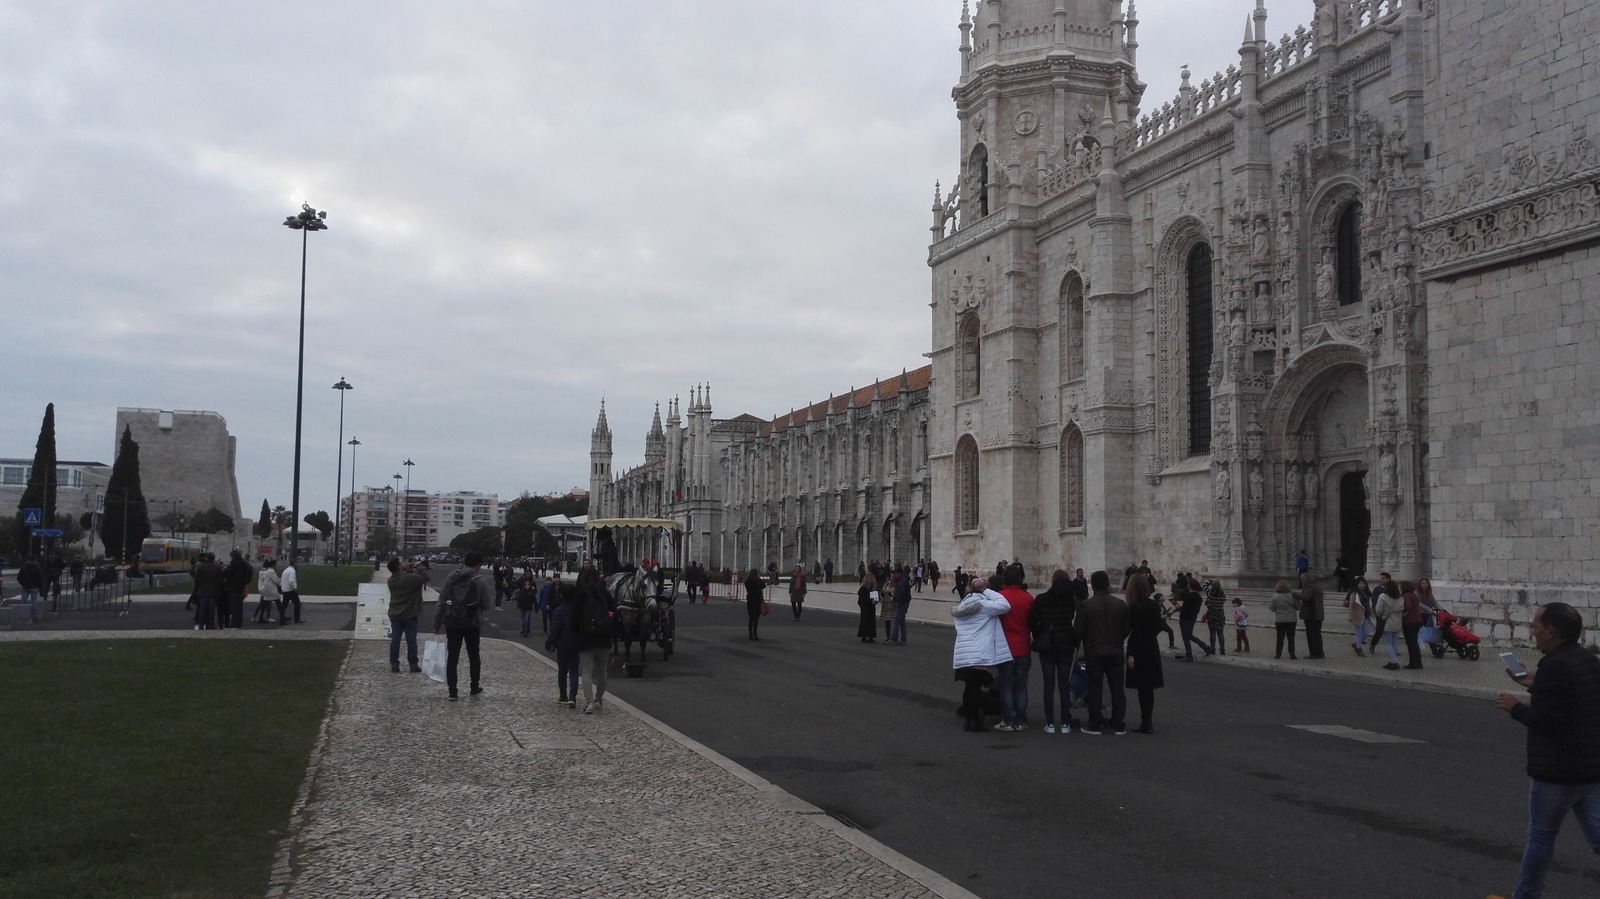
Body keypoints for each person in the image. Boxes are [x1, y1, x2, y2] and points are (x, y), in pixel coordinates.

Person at [1492, 602, 1600, 899]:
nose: (1532, 632)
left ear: (1551, 632)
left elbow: (1550, 721)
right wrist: (1534, 683)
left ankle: (1526, 896)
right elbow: (1573, 701)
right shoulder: (1588, 660)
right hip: (1590, 770)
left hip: (1557, 771)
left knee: (1540, 838)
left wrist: (1515, 708)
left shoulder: (1553, 666)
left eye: (1535, 627)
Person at [951, 576, 1011, 733]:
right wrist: (988, 590)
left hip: (964, 652)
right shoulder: (985, 604)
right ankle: (975, 722)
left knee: (969, 687)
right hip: (978, 652)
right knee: (975, 689)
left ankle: (968, 721)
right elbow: (1005, 605)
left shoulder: (962, 604)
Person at [1074, 570, 1129, 735]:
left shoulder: (1086, 605)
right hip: (1116, 651)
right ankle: (1119, 724)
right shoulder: (1120, 604)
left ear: (1093, 585)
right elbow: (1126, 629)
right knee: (1117, 689)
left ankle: (1095, 724)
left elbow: (1078, 631)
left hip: (1094, 652)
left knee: (1095, 688)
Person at [432, 551, 493, 700]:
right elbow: (486, 605)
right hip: (472, 623)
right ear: (478, 565)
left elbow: (441, 602)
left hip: (453, 622)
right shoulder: (480, 581)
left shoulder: (451, 578)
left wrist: (436, 624)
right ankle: (474, 687)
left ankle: (453, 692)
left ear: (464, 562)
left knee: (453, 657)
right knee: (473, 656)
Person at [1028, 570, 1078, 734]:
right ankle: (1065, 723)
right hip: (1066, 645)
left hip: (1048, 647)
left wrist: (1040, 636)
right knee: (1064, 685)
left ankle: (1050, 723)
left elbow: (1033, 621)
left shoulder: (1041, 599)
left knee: (1048, 685)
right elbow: (1074, 620)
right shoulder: (1070, 600)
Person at [993, 563, 1035, 731]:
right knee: (1021, 684)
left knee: (1006, 685)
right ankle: (1021, 720)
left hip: (1005, 648)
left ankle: (1008, 720)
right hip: (1023, 647)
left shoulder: (999, 597)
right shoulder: (1028, 598)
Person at [1124, 574, 1165, 734]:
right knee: (1149, 688)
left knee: (1143, 687)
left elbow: (1136, 632)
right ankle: (1148, 721)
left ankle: (1146, 723)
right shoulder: (1154, 605)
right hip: (1151, 646)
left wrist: (1131, 654)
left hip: (1140, 649)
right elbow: (1159, 625)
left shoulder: (1134, 606)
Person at [573, 568, 615, 713]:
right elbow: (614, 611)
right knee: (602, 670)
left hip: (585, 635)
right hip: (603, 634)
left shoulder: (579, 594)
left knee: (586, 670)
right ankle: (598, 700)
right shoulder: (604, 593)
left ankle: (589, 701)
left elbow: (574, 616)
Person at [386, 557, 428, 673]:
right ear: (399, 567)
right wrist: (419, 566)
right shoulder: (408, 578)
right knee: (411, 640)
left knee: (395, 640)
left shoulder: (391, 580)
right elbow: (425, 577)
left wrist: (407, 569)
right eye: (400, 564)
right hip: (410, 614)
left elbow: (406, 579)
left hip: (395, 614)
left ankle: (394, 664)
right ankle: (413, 664)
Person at [545, 581, 581, 707]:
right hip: (576, 643)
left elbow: (555, 629)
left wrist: (549, 643)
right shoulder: (578, 610)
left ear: (561, 596)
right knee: (574, 671)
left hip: (562, 644)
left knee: (562, 671)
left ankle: (563, 695)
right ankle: (573, 697)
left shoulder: (559, 611)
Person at [1176, 576, 1211, 660]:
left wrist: (1177, 608)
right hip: (1192, 618)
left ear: (1190, 586)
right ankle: (1204, 646)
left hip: (1185, 618)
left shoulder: (1189, 596)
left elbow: (1184, 608)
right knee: (1189, 635)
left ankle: (1189, 655)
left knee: (1185, 636)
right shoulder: (1198, 597)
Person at [1399, 579, 1432, 670]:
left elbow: (1408, 606)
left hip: (1409, 621)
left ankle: (1413, 663)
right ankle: (1418, 662)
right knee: (1414, 642)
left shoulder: (1406, 596)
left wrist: (1402, 614)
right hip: (1417, 620)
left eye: (1401, 587)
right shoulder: (1413, 595)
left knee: (1411, 643)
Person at [190, 552, 223, 630]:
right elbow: (220, 580)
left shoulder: (201, 567)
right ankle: (210, 624)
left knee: (202, 609)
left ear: (206, 558)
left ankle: (201, 624)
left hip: (202, 591)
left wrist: (196, 590)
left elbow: (197, 579)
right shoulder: (217, 567)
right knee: (211, 610)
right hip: (213, 591)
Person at [1296, 571, 1326, 659]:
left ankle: (1314, 653)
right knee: (1317, 634)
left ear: (1307, 579)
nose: (1301, 581)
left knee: (1312, 635)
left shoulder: (1310, 587)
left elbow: (1306, 597)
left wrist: (1294, 595)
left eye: (1302, 580)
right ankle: (1320, 652)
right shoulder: (1316, 586)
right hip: (1318, 615)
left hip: (1311, 614)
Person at [1269, 579, 1301, 660]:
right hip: (1291, 620)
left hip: (1280, 620)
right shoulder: (1292, 596)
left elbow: (1272, 608)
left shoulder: (1275, 596)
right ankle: (1292, 654)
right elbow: (1298, 607)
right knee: (1291, 638)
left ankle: (1278, 654)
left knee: (1280, 637)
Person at [222, 549, 252, 629]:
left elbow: (228, 574)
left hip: (233, 586)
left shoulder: (235, 564)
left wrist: (224, 570)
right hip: (241, 586)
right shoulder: (243, 563)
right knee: (239, 606)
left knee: (234, 606)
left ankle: (234, 624)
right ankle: (239, 623)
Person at [1375, 586, 1403, 670]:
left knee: (1388, 643)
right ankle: (1391, 661)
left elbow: (1378, 610)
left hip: (1387, 621)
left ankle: (1394, 661)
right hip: (1397, 622)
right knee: (1394, 642)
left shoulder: (1383, 597)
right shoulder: (1400, 598)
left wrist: (1381, 615)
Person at [1347, 576, 1373, 657]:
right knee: (1358, 633)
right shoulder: (1354, 594)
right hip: (1357, 615)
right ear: (1357, 584)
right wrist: (1350, 616)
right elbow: (1351, 605)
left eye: (1364, 584)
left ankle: (1356, 643)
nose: (1362, 585)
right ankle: (1359, 649)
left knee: (1366, 633)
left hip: (1365, 615)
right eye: (1361, 584)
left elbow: (1370, 605)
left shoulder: (1367, 593)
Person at [1202, 579, 1227, 656]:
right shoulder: (1223, 596)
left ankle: (1213, 649)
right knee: (1220, 633)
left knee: (1212, 633)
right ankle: (1222, 650)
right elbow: (1220, 590)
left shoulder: (1209, 594)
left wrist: (1211, 580)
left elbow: (1204, 585)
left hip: (1212, 615)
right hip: (1220, 615)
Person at [15, 557, 44, 621]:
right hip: (35, 586)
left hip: (25, 587)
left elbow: (19, 577)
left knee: (23, 602)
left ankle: (22, 616)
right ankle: (34, 617)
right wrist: (39, 585)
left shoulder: (24, 567)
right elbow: (40, 578)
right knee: (34, 602)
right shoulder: (37, 568)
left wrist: (23, 584)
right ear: (35, 560)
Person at [890, 565, 913, 645]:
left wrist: (897, 601)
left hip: (901, 603)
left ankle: (893, 638)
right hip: (904, 603)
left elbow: (901, 592)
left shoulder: (902, 581)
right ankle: (903, 639)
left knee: (895, 620)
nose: (894, 576)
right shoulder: (903, 579)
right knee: (902, 621)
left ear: (899, 573)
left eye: (895, 574)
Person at [254, 559, 281, 623]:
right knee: (267, 604)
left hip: (264, 589)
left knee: (263, 604)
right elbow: (276, 581)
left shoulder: (263, 572)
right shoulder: (269, 572)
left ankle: (257, 616)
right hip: (268, 589)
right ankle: (279, 616)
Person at [743, 567, 766, 641]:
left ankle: (750, 635)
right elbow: (763, 586)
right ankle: (755, 634)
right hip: (757, 600)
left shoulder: (747, 581)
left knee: (751, 618)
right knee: (756, 618)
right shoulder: (757, 580)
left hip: (750, 600)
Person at [855, 570, 877, 643]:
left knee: (872, 622)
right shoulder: (863, 588)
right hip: (865, 607)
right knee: (865, 622)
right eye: (872, 578)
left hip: (871, 607)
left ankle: (871, 636)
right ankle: (864, 636)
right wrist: (870, 601)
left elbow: (875, 597)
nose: (874, 580)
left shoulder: (872, 588)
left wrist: (875, 600)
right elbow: (862, 599)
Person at [278, 560, 302, 625]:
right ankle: (297, 619)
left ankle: (281, 619)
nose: (297, 564)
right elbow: (291, 581)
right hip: (290, 590)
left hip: (285, 590)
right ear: (294, 563)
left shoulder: (285, 570)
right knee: (297, 604)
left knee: (284, 605)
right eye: (297, 563)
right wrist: (295, 588)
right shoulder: (292, 571)